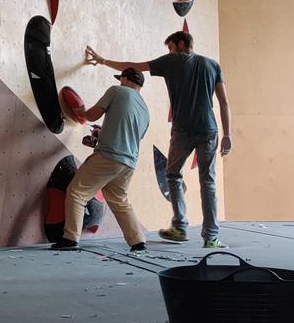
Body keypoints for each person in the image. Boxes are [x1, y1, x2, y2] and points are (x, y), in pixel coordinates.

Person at [85, 31, 233, 249]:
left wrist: (103, 61)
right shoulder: (213, 65)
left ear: (181, 44)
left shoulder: (172, 61)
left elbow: (134, 67)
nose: (170, 52)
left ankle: (180, 227)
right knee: (208, 182)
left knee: (173, 174)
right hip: (209, 130)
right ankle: (211, 237)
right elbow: (224, 103)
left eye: (171, 47)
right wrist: (228, 134)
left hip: (183, 130)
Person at [51, 68, 150, 253]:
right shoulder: (145, 111)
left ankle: (70, 238)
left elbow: (92, 115)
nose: (120, 82)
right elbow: (127, 135)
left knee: (76, 192)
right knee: (119, 201)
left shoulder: (117, 90)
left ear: (126, 79)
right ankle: (138, 241)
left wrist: (81, 111)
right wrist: (100, 137)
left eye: (121, 79)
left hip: (109, 156)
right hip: (128, 164)